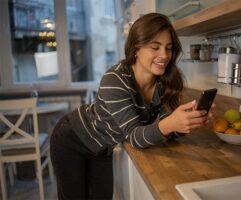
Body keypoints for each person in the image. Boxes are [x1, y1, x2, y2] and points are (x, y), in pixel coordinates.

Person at [50, 12, 215, 200]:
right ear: (136, 48)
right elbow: (135, 137)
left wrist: (187, 121)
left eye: (168, 48)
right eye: (155, 47)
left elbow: (164, 128)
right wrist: (171, 123)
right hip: (72, 139)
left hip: (102, 146)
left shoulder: (162, 83)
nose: (164, 55)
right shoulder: (115, 80)